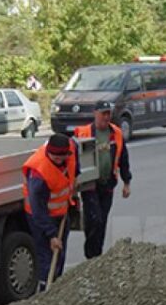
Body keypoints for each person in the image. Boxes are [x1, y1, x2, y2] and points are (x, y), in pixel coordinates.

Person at [71, 100, 132, 259]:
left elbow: (123, 159)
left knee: (102, 221)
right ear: (95, 113)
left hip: (108, 184)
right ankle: (91, 255)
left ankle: (97, 256)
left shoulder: (116, 133)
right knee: (94, 219)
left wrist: (127, 182)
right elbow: (72, 160)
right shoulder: (83, 133)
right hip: (90, 185)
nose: (106, 117)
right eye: (103, 113)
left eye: (108, 114)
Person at [22, 132, 76, 289]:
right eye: (55, 157)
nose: (59, 160)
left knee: (59, 254)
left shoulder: (70, 152)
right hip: (40, 218)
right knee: (46, 256)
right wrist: (51, 235)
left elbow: (73, 165)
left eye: (62, 157)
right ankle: (45, 288)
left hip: (61, 214)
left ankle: (57, 286)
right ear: (48, 152)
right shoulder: (39, 175)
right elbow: (38, 209)